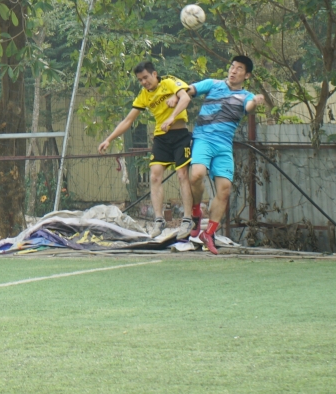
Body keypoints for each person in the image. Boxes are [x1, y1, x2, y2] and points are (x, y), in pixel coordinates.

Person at [169, 55, 265, 254]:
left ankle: (209, 233)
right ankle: (196, 212)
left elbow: (249, 108)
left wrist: (255, 101)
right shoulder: (212, 84)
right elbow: (189, 90)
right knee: (196, 174)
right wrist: (176, 95)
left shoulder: (246, 96)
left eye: (239, 68)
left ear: (246, 75)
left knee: (225, 189)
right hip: (203, 139)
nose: (233, 70)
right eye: (232, 66)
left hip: (223, 145)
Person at [98, 64, 197, 239]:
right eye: (140, 80)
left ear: (154, 73)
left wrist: (172, 116)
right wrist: (109, 139)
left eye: (146, 77)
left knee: (182, 175)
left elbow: (186, 98)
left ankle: (187, 220)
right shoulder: (144, 95)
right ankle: (159, 221)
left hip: (181, 136)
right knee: (154, 176)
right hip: (161, 138)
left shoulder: (169, 82)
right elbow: (128, 120)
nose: (144, 82)